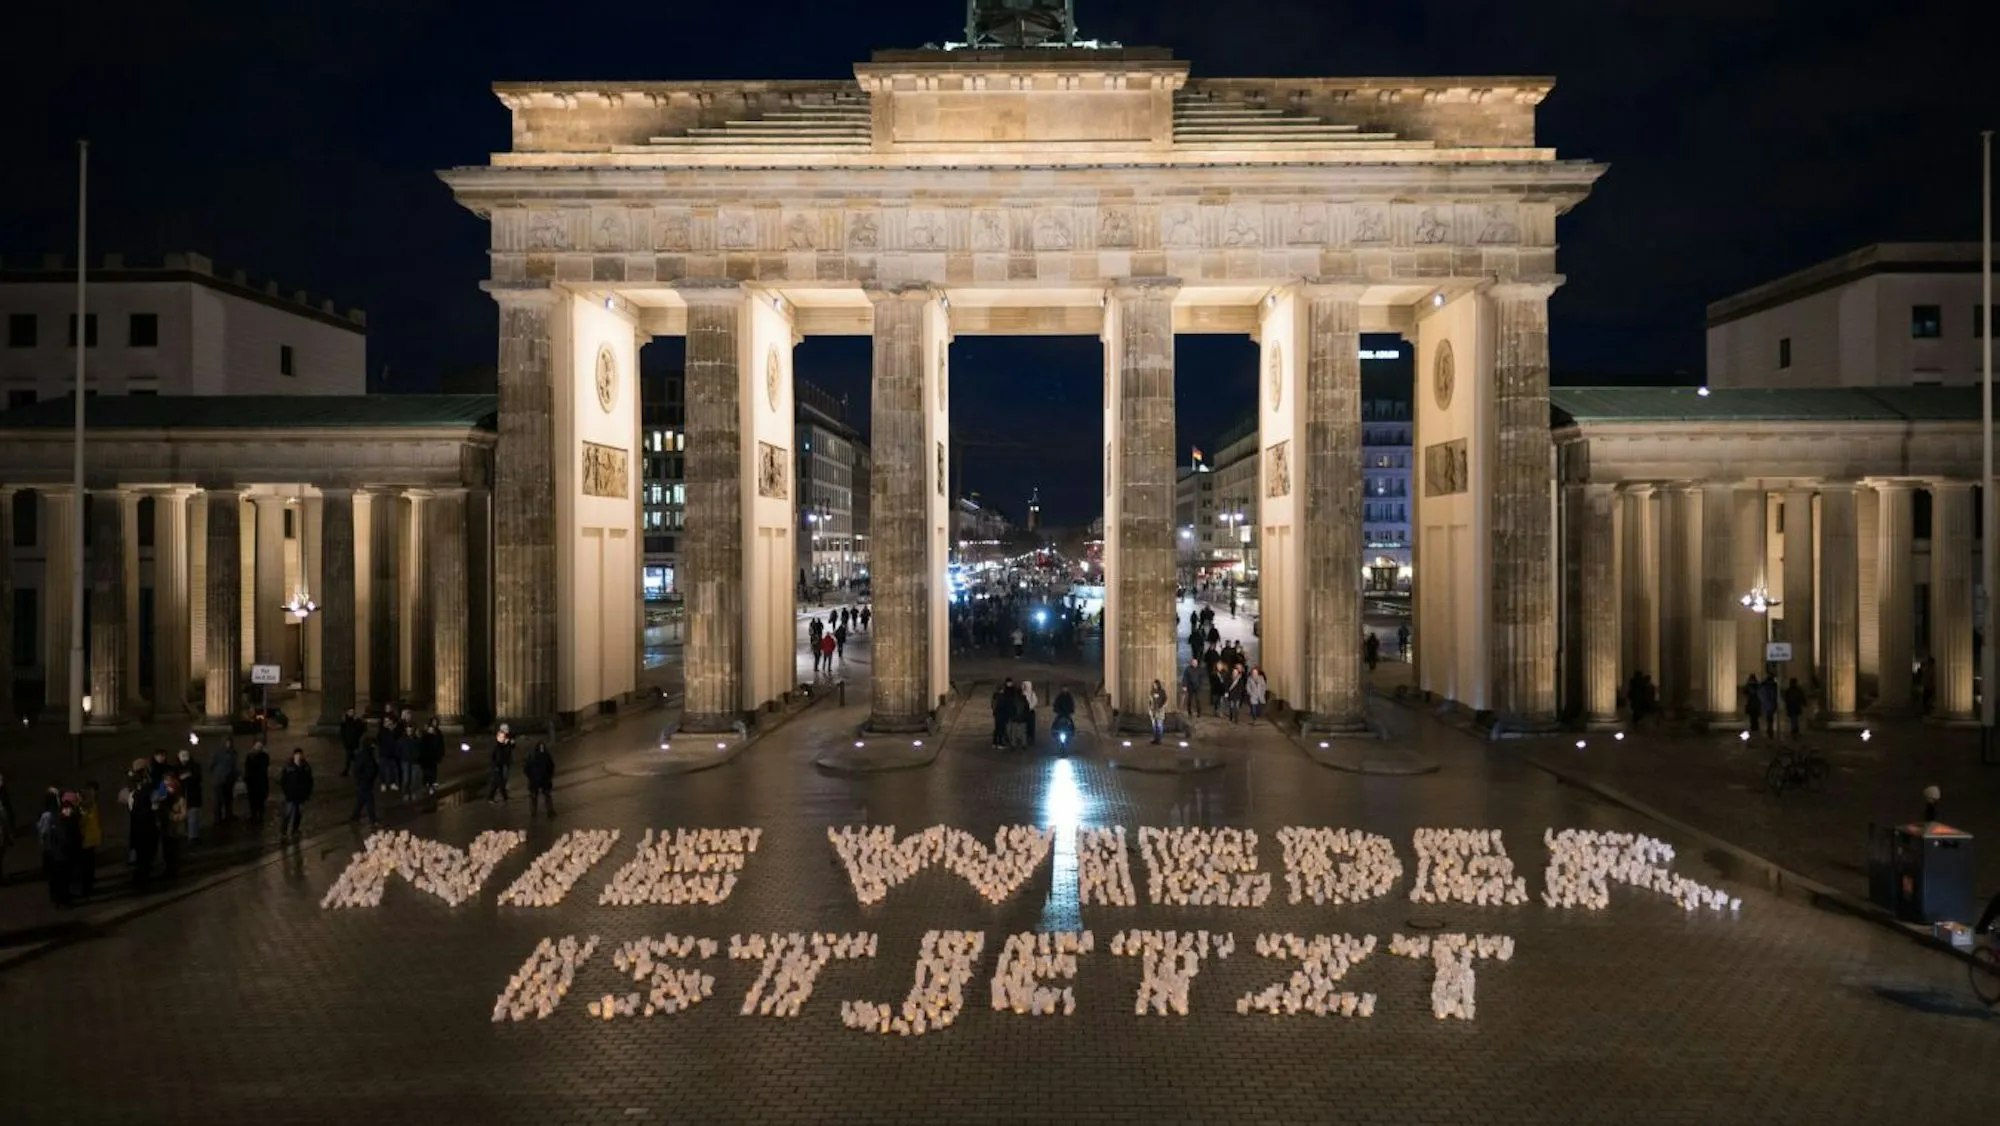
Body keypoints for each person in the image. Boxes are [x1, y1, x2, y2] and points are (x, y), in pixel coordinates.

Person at [279, 749, 314, 839]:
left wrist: (307, 793)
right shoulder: (288, 767)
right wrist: (286, 792)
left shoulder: (306, 767)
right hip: (290, 795)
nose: (298, 757)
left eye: (300, 755)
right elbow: (283, 781)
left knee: (298, 814)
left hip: (301, 796)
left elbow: (309, 781)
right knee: (288, 814)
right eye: (296, 755)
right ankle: (284, 831)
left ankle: (295, 830)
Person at [75, 782, 102, 897]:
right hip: (92, 839)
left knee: (84, 867)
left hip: (84, 841)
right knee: (89, 865)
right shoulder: (93, 806)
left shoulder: (82, 811)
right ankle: (89, 885)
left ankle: (85, 889)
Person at [176, 748, 205, 843]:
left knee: (193, 815)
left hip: (193, 795)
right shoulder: (177, 769)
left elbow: (198, 778)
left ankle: (193, 836)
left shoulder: (194, 767)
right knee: (187, 815)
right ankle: (189, 833)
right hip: (183, 796)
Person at [349, 740, 380, 826]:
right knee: (370, 800)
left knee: (361, 799)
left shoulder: (368, 754)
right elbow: (357, 770)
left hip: (368, 781)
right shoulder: (363, 755)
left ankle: (355, 816)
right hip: (364, 781)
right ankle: (373, 819)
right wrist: (364, 777)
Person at [209, 738, 240, 824]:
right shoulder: (228, 753)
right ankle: (219, 818)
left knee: (226, 799)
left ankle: (224, 816)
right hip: (221, 780)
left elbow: (211, 766)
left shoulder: (230, 753)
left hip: (225, 780)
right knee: (220, 800)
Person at [524, 742, 557, 819]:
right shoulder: (534, 756)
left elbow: (551, 766)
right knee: (536, 796)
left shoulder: (543, 755)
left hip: (542, 779)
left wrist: (549, 776)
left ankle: (548, 811)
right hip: (536, 779)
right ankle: (534, 812)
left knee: (545, 796)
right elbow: (527, 768)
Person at [243, 741, 272, 826]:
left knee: (258, 802)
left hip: (258, 783)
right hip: (254, 783)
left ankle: (257, 816)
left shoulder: (259, 757)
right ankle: (255, 816)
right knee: (255, 802)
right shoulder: (252, 757)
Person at [489, 724, 516, 803]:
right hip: (498, 764)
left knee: (504, 778)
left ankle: (504, 796)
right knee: (498, 781)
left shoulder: (508, 740)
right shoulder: (497, 744)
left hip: (505, 762)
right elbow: (494, 755)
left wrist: (509, 743)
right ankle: (492, 797)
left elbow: (511, 747)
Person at [419, 719, 445, 794]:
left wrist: (439, 755)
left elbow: (439, 746)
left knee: (432, 771)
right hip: (426, 758)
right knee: (427, 772)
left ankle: (432, 784)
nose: (431, 731)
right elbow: (422, 748)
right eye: (429, 729)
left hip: (433, 758)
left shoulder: (436, 737)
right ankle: (427, 783)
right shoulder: (424, 738)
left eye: (432, 730)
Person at [379, 725, 405, 795]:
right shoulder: (382, 731)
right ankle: (383, 783)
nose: (387, 724)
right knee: (383, 769)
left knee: (393, 769)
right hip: (384, 753)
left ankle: (392, 783)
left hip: (393, 754)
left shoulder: (396, 732)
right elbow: (379, 740)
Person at [339, 708, 365, 776]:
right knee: (349, 757)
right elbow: (342, 732)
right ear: (347, 713)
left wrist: (358, 735)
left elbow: (362, 729)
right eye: (350, 711)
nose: (352, 713)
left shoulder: (356, 721)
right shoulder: (344, 722)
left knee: (354, 757)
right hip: (348, 742)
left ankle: (357, 770)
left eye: (353, 712)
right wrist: (344, 740)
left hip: (355, 742)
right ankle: (348, 770)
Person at [991, 680, 1013, 748]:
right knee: (1001, 729)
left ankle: (994, 743)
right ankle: (1000, 743)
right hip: (1002, 715)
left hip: (996, 714)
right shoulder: (1002, 697)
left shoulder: (995, 696)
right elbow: (1005, 707)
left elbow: (993, 705)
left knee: (997, 728)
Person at [1148, 679, 1168, 744]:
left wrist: (1162, 707)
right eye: (1154, 684)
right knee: (1154, 725)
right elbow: (1150, 701)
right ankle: (1155, 738)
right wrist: (1150, 709)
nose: (1155, 686)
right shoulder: (1152, 692)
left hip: (1160, 710)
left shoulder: (1162, 692)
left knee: (1159, 725)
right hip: (1153, 710)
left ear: (1158, 685)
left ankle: (1159, 739)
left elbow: (1165, 700)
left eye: (1156, 684)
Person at [1020, 680, 1039, 746]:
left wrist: (1030, 707)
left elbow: (1035, 701)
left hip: (1031, 711)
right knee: (1025, 725)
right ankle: (1026, 737)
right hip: (1024, 712)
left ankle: (1031, 737)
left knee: (1031, 725)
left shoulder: (1032, 693)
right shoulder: (1022, 693)